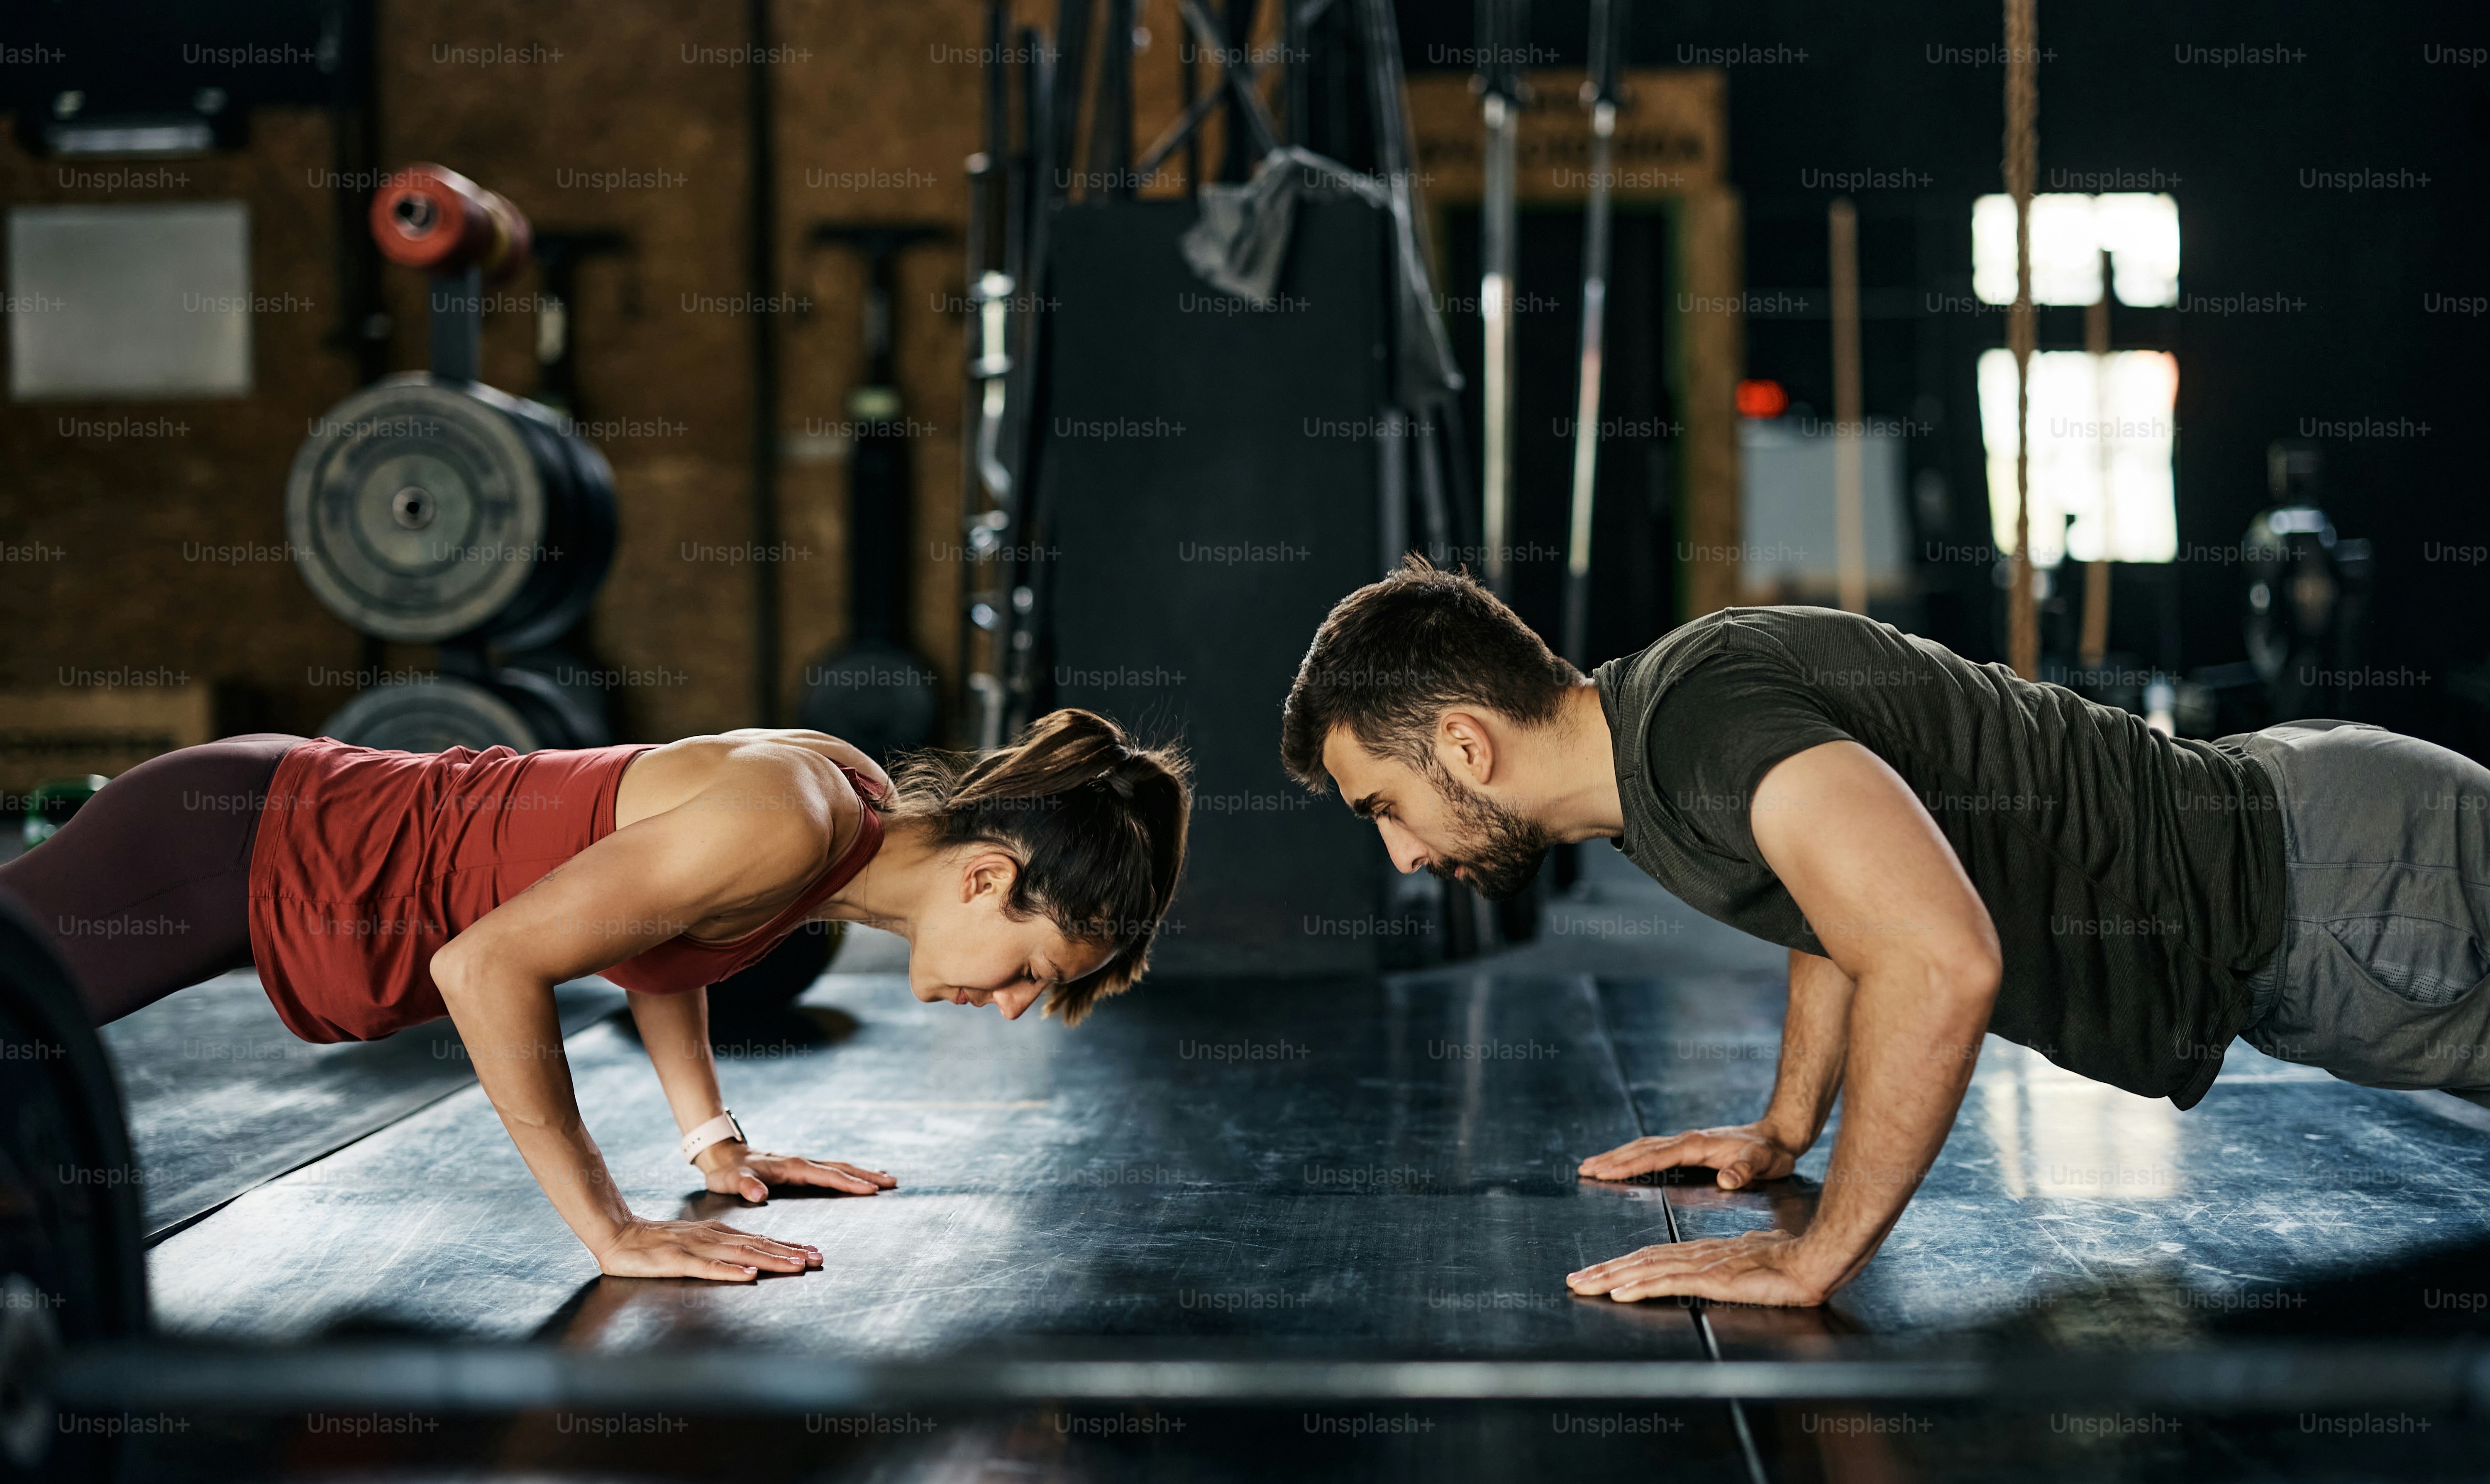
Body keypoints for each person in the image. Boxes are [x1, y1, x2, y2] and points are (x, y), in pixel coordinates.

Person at [1282, 557, 2490, 1307]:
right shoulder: (1654, 746)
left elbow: (1937, 958)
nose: (1401, 853)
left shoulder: (1694, 734)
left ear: (1461, 744)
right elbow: (1845, 905)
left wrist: (1817, 1258)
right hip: (2320, 862)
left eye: (1384, 807)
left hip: (2351, 887)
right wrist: (1787, 1123)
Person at [0, 709, 1188, 1282]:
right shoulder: (796, 816)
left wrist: (714, 1140)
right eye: (1035, 972)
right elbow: (486, 965)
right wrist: (611, 1231)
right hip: (243, 846)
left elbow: (655, 934)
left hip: (287, 866)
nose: (1021, 1006)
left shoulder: (846, 807)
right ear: (988, 878)